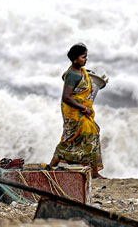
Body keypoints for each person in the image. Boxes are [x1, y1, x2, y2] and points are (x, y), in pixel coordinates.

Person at [49, 43, 105, 179]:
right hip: (73, 113)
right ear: (75, 59)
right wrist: (84, 108)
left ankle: (93, 171)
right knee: (75, 138)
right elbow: (66, 97)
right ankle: (55, 162)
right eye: (83, 57)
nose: (86, 60)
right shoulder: (72, 75)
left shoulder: (82, 72)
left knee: (93, 133)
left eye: (86, 57)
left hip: (81, 111)